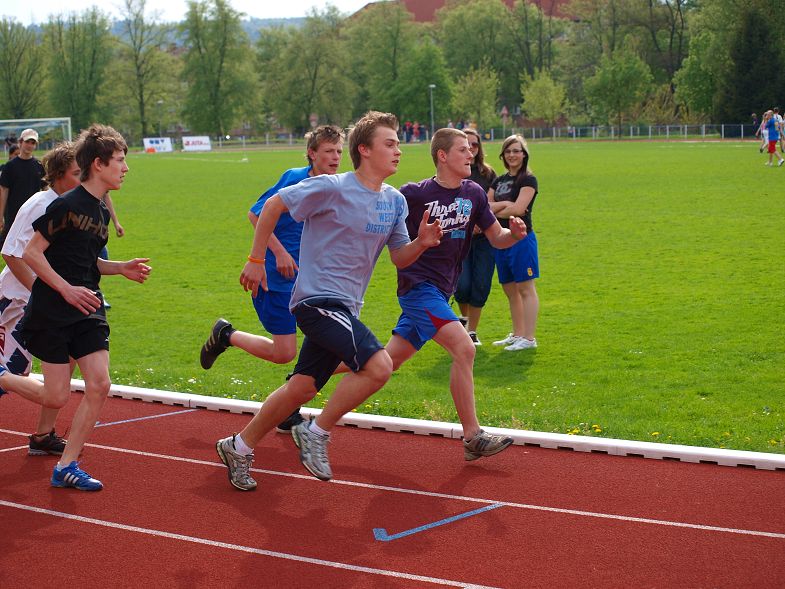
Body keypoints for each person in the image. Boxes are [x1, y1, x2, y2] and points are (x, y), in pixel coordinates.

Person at [215, 111, 442, 490]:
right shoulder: (331, 187)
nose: (398, 150)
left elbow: (400, 257)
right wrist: (256, 259)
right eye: (390, 143)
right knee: (380, 366)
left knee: (302, 387)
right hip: (316, 301)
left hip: (347, 307)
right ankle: (316, 432)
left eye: (398, 144)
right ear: (364, 150)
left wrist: (422, 243)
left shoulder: (395, 201)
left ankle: (238, 446)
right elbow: (271, 207)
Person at [365, 128, 524, 461]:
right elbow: (382, 226)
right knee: (464, 348)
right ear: (442, 155)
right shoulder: (413, 194)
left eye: (471, 149)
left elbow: (496, 237)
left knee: (385, 362)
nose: (471, 154)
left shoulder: (474, 193)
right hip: (418, 290)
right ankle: (473, 436)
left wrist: (514, 235)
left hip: (441, 292)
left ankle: (309, 376)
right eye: (463, 149)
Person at [20, 124, 151, 491]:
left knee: (100, 383)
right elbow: (32, 253)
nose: (125, 168)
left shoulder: (101, 211)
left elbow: (87, 260)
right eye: (120, 160)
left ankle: (67, 465)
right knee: (56, 396)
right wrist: (65, 289)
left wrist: (119, 268)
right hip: (53, 310)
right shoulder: (66, 205)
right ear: (98, 164)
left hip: (87, 308)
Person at [200, 125, 345, 433]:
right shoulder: (295, 178)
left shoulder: (335, 186)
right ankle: (226, 335)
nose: (335, 157)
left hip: (310, 281)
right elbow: (256, 213)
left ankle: (290, 402)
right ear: (312, 153)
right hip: (278, 278)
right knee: (285, 353)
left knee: (334, 345)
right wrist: (275, 254)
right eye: (328, 151)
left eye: (339, 151)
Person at [0, 142, 83, 455]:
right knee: (14, 372)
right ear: (59, 175)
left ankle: (43, 435)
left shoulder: (74, 205)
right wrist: (42, 293)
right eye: (78, 173)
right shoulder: (39, 204)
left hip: (53, 302)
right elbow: (11, 253)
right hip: (17, 302)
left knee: (69, 357)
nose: (84, 178)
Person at [488, 134, 541, 350]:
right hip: (501, 239)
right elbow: (485, 207)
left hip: (521, 239)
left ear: (524, 154)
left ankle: (529, 338)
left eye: (516, 151)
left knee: (525, 288)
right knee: (510, 290)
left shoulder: (528, 179)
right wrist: (507, 204)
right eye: (508, 151)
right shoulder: (498, 180)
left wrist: (500, 207)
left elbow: (519, 209)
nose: (512, 155)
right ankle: (518, 334)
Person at [453, 128, 497, 345]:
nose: (471, 148)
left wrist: (481, 222)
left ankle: (472, 331)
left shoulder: (488, 174)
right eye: (466, 145)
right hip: (460, 238)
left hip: (485, 239)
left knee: (480, 285)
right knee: (462, 286)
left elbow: (490, 204)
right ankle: (464, 321)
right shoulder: (455, 172)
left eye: (475, 144)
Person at [0, 129, 46, 245]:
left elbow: (45, 190)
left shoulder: (39, 166)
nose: (30, 145)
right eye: (27, 142)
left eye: (33, 143)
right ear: (20, 142)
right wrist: (0, 216)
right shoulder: (10, 166)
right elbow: (4, 191)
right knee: (10, 246)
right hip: (14, 214)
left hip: (34, 214)